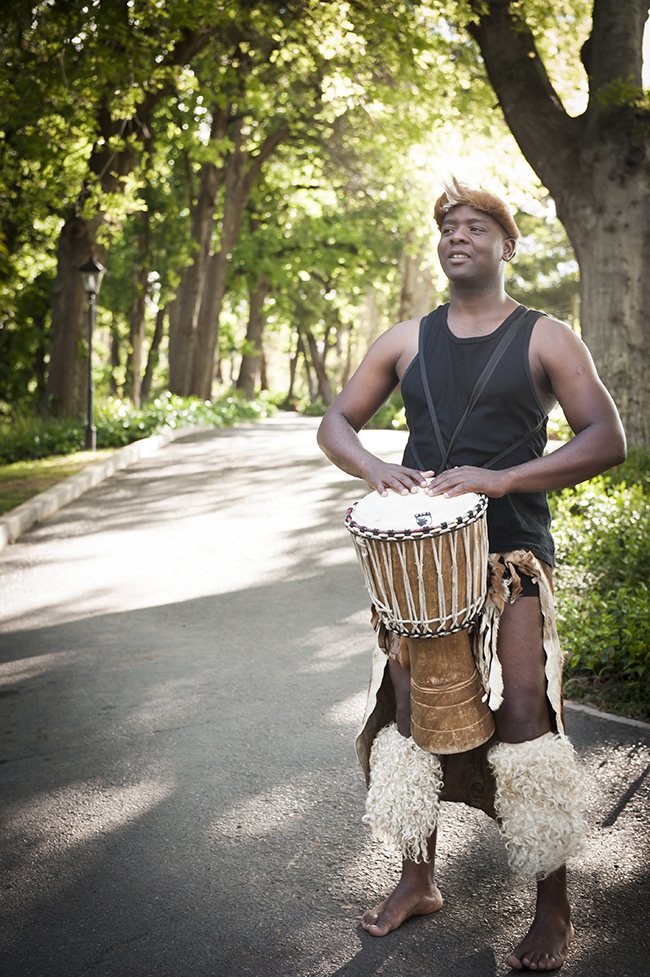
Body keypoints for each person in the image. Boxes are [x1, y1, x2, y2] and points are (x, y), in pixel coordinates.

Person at [317, 178, 626, 972]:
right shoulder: (406, 339)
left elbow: (605, 439)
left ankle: (552, 901)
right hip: (422, 559)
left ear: (506, 244)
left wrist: (504, 478)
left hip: (513, 555)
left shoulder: (547, 335)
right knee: (412, 715)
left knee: (526, 716)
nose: (458, 233)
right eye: (449, 225)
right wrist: (377, 467)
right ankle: (418, 877)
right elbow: (335, 422)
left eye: (477, 224)